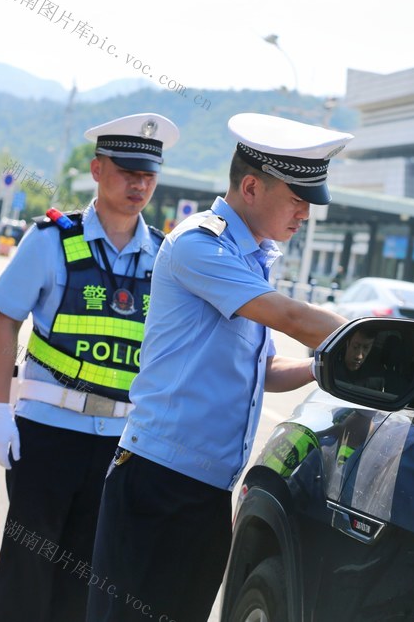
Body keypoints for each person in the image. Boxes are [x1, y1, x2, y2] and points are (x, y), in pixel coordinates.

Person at [87, 113, 352, 621]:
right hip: (156, 485)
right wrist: (364, 339)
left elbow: (265, 370)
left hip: (206, 493)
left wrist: (325, 368)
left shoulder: (252, 258)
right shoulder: (199, 244)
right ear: (251, 186)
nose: (305, 213)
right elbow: (292, 317)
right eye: (298, 198)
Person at [0, 112, 179, 622]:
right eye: (127, 170)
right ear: (96, 169)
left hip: (120, 445)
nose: (139, 184)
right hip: (47, 433)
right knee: (27, 572)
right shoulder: (50, 241)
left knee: (87, 581)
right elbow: (7, 324)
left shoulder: (166, 258)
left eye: (149, 175)